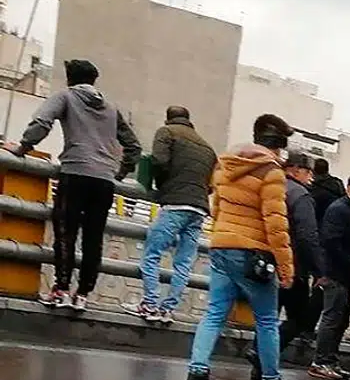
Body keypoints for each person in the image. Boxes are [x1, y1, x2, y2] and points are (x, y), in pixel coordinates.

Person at [182, 113, 297, 380]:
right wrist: (286, 267)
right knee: (267, 319)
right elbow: (276, 223)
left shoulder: (226, 165)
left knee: (214, 313)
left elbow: (217, 208)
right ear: (277, 147)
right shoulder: (271, 172)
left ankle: (197, 374)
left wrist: (220, 239)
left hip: (221, 245)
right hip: (253, 253)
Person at [11, 59, 141, 311]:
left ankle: (60, 289)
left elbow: (41, 123)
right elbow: (133, 146)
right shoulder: (111, 108)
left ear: (70, 78)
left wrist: (24, 147)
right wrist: (120, 173)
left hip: (75, 172)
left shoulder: (66, 97)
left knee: (66, 233)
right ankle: (82, 295)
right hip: (104, 180)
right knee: (93, 239)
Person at [128, 106, 216, 323]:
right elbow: (212, 184)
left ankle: (149, 304)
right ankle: (167, 309)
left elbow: (158, 160)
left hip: (175, 204)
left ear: (168, 118)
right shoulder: (207, 148)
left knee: (152, 254)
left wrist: (159, 185)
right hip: (199, 209)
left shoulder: (166, 132)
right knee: (184, 263)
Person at [309, 172, 350, 380]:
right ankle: (320, 362)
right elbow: (331, 243)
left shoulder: (349, 211)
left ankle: (330, 360)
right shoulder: (340, 210)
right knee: (332, 319)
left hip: (343, 275)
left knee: (341, 319)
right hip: (335, 274)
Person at [266, 152, 325, 370]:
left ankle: (261, 361)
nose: (310, 177)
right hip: (292, 265)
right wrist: (319, 270)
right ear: (297, 170)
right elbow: (308, 236)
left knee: (267, 317)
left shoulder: (272, 187)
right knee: (300, 318)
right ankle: (263, 354)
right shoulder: (300, 195)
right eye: (308, 172)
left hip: (265, 262)